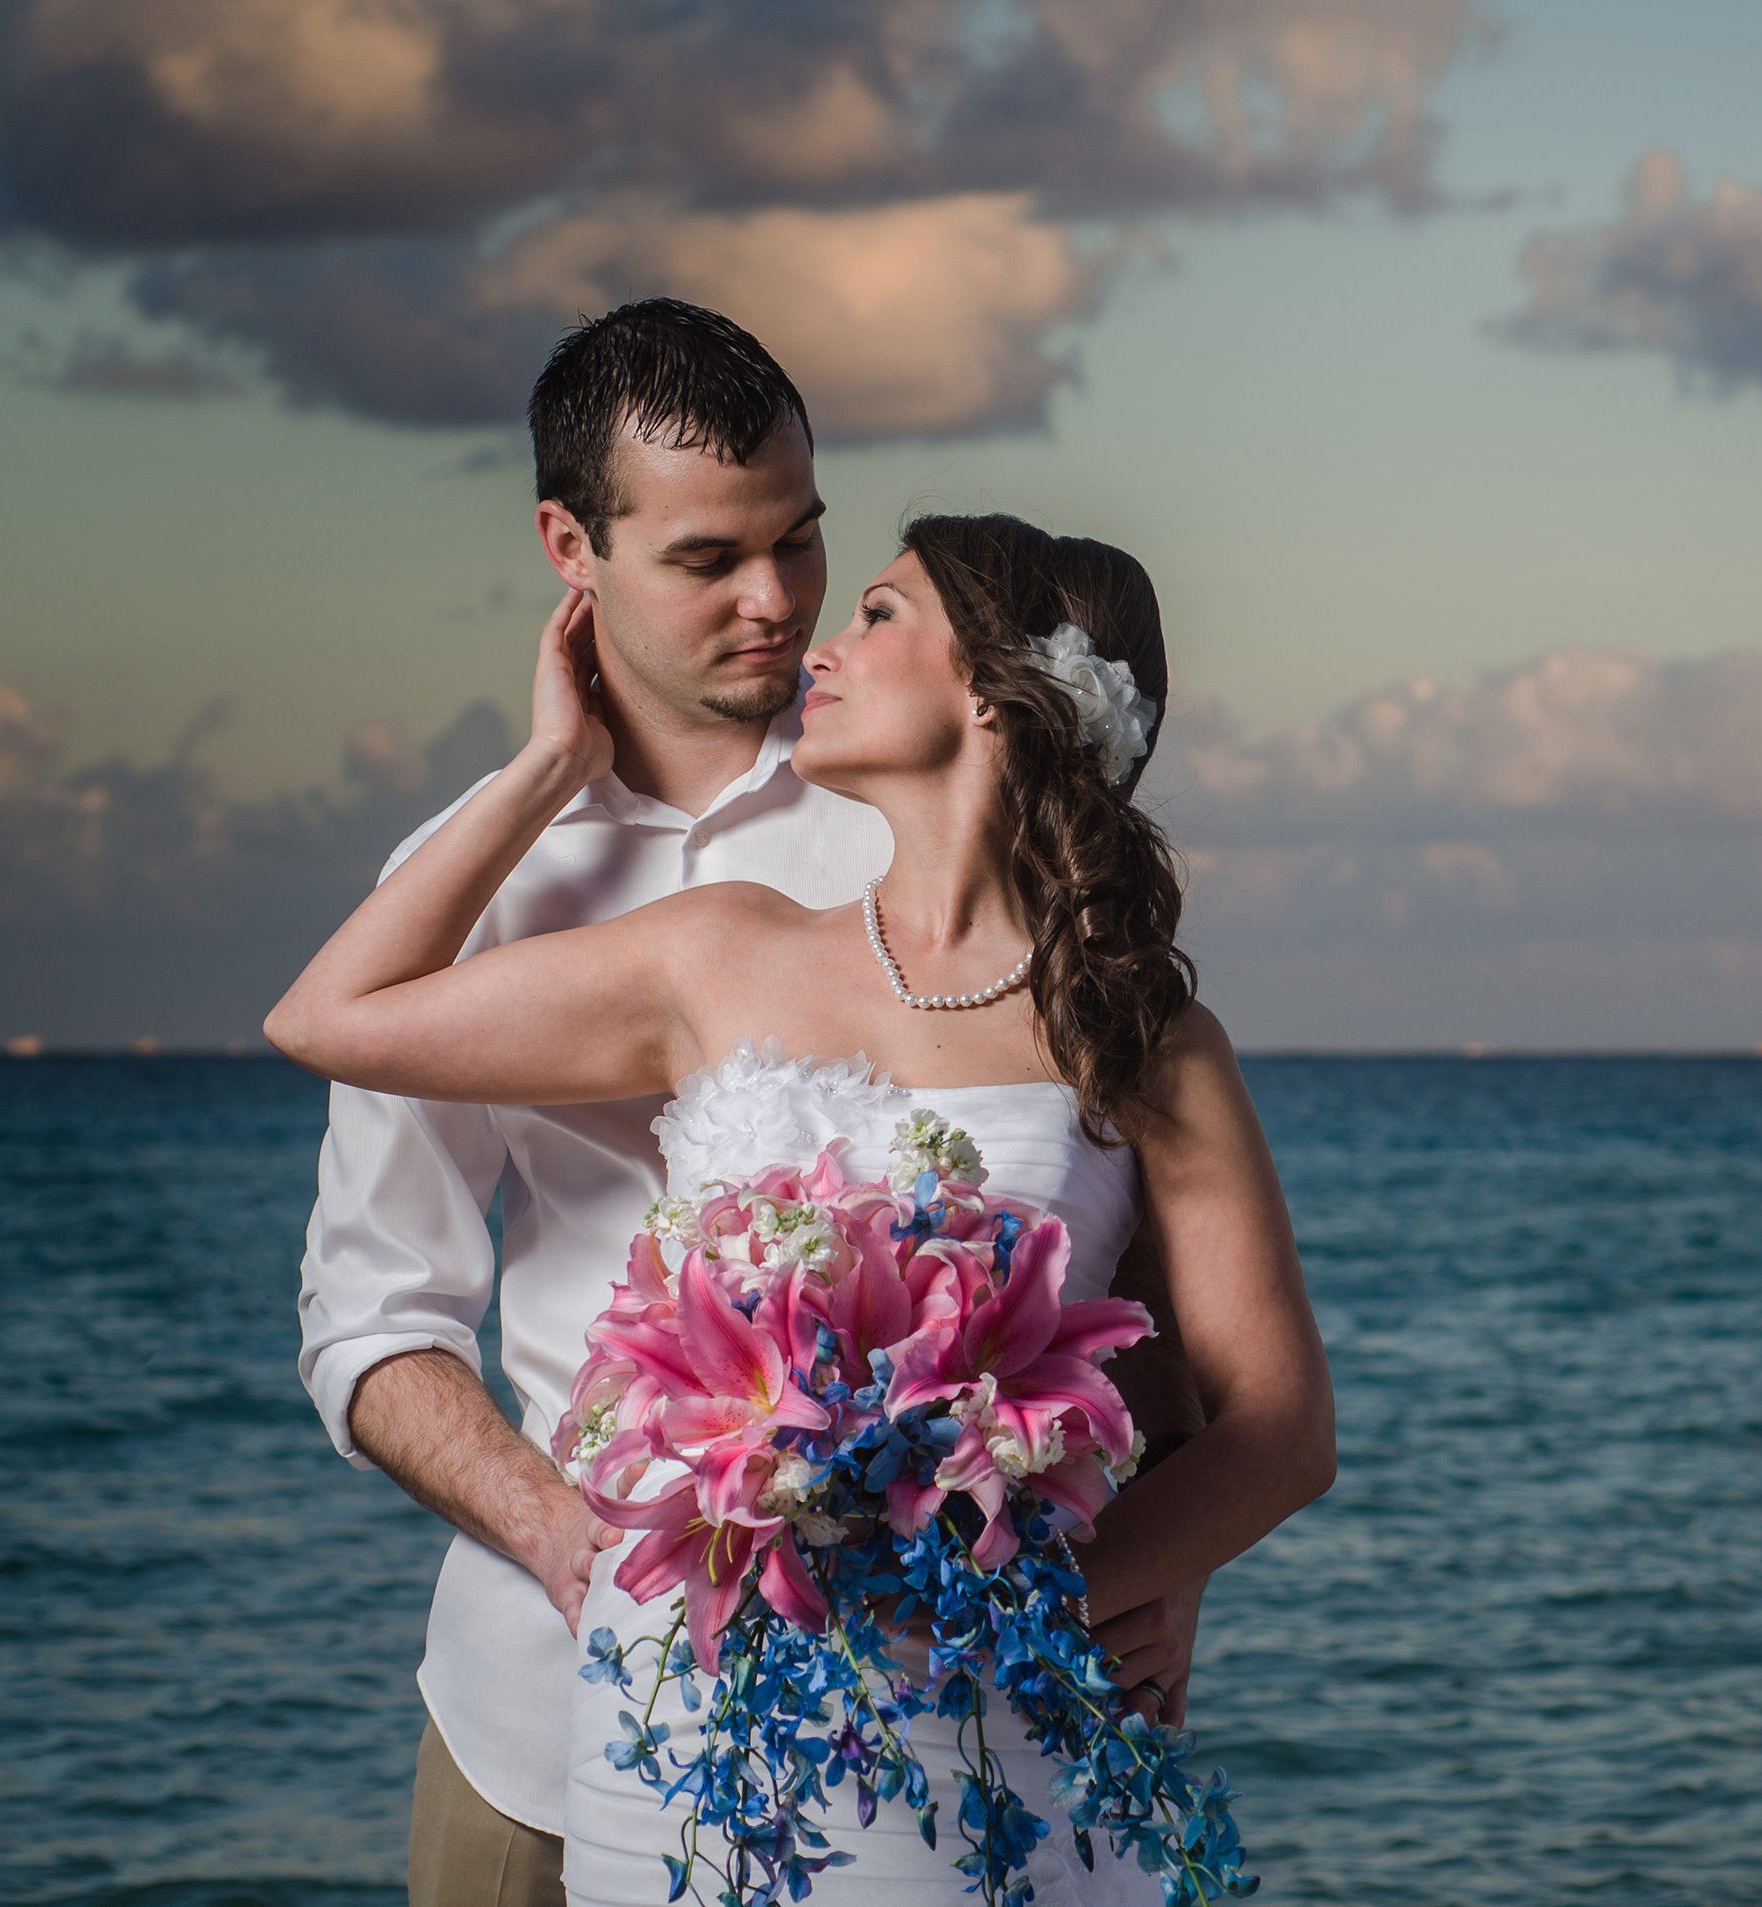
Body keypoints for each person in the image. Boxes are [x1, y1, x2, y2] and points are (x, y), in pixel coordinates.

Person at [292, 300, 1219, 1907]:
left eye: (803, 540)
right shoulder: (459, 896)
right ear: (569, 546)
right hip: (534, 1704)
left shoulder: (918, 815)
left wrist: (1161, 1550)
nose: (778, 601)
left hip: (927, 1718)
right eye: (711, 558)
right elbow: (370, 1316)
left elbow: (1123, 1239)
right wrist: (572, 1545)